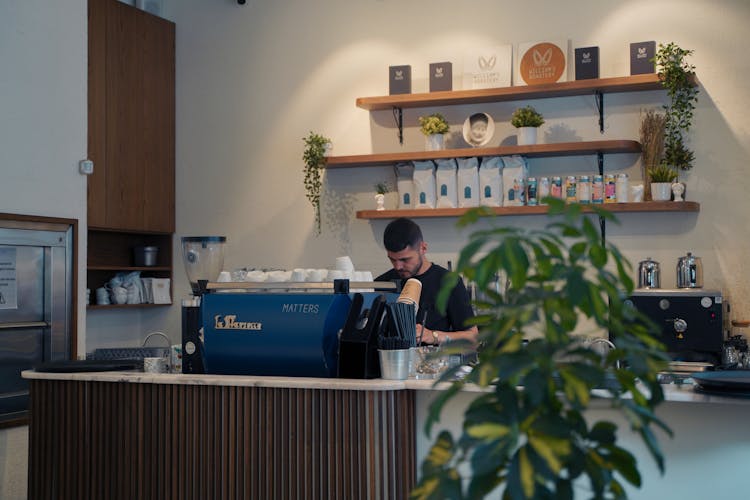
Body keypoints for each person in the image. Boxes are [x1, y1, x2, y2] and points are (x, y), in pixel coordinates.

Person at [375, 218, 478, 346]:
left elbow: (472, 336)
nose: (398, 266)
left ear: (423, 248)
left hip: (434, 363)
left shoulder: (449, 282)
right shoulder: (381, 284)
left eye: (405, 259)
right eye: (392, 260)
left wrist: (433, 336)